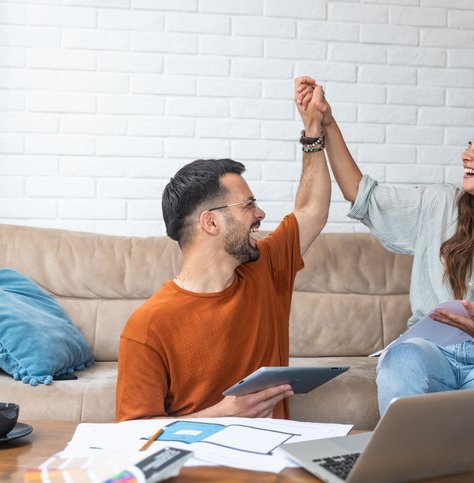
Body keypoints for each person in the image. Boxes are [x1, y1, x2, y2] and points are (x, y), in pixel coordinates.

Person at [296, 77, 474, 482]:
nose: (465, 154)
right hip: (432, 357)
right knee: (400, 357)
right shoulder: (438, 203)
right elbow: (360, 193)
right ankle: (405, 474)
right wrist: (328, 124)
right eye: (468, 145)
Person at [116, 79, 330, 421]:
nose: (260, 214)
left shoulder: (265, 268)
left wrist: (313, 132)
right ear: (210, 223)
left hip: (271, 461)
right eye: (248, 205)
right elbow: (133, 434)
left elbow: (312, 210)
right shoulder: (147, 327)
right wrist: (223, 413)